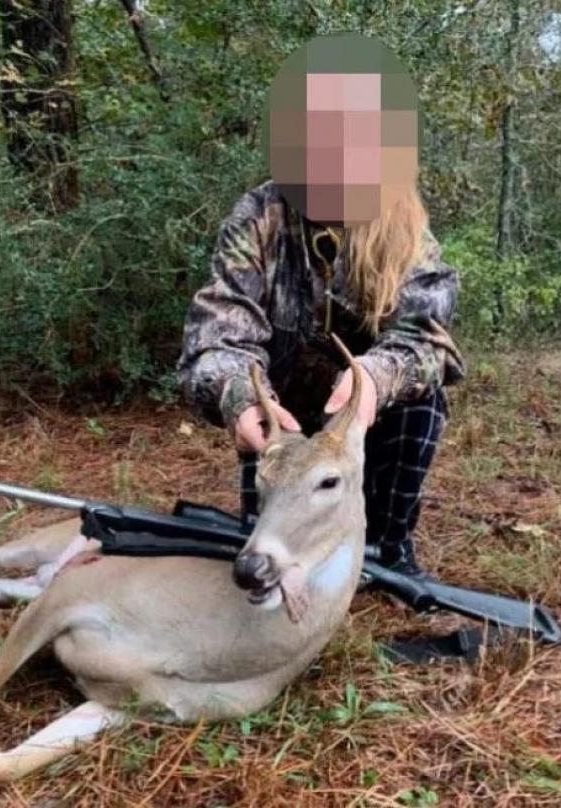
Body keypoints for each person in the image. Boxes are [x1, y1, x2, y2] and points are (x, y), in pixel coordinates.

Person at [176, 34, 465, 578]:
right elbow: (215, 340)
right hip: (280, 424)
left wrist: (371, 385)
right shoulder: (259, 217)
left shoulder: (403, 225)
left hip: (359, 424)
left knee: (423, 408)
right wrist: (241, 398)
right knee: (266, 553)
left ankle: (389, 544)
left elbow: (428, 339)